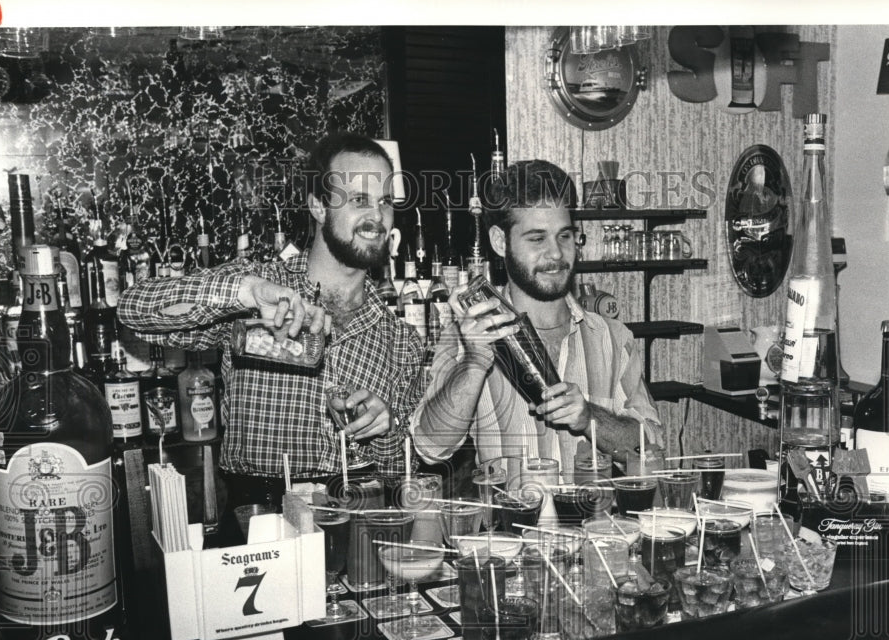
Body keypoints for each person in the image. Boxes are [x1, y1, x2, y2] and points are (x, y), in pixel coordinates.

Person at [119, 132, 425, 517]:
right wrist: (244, 292)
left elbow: (401, 474)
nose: (377, 217)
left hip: (357, 516)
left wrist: (386, 428)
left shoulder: (400, 338)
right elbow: (134, 311)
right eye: (359, 200)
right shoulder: (258, 288)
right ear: (317, 206)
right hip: (259, 518)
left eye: (384, 201)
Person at [411, 158, 662, 477]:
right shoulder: (467, 337)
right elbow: (430, 448)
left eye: (565, 236)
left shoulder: (611, 338)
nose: (556, 253)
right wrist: (475, 362)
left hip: (600, 525)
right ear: (500, 242)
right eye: (537, 238)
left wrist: (589, 418)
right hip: (510, 525)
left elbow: (651, 450)